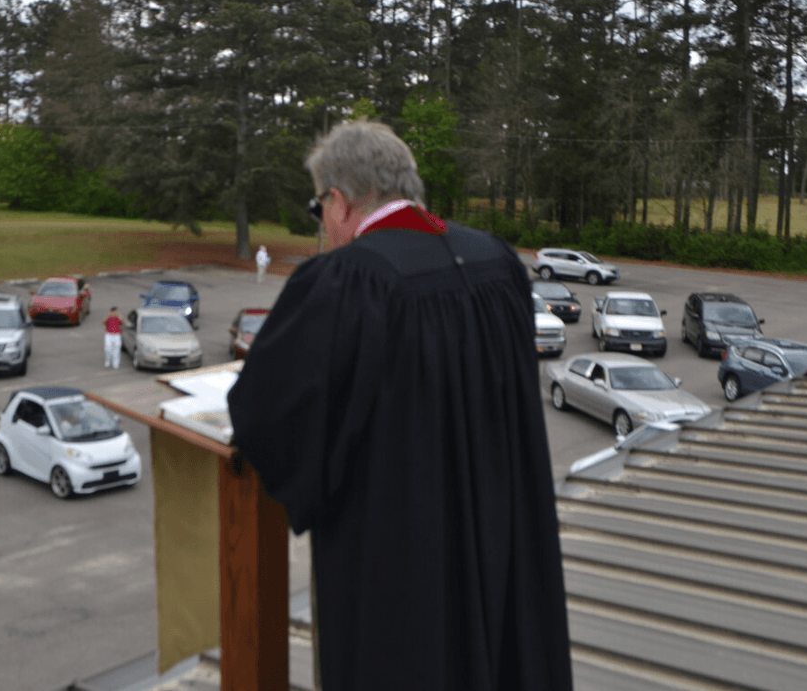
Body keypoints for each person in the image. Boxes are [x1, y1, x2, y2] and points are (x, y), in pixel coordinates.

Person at [227, 119, 573, 691]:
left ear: (337, 200)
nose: (324, 226)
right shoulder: (496, 262)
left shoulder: (348, 279)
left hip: (403, 552)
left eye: (319, 210)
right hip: (498, 530)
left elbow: (269, 413)